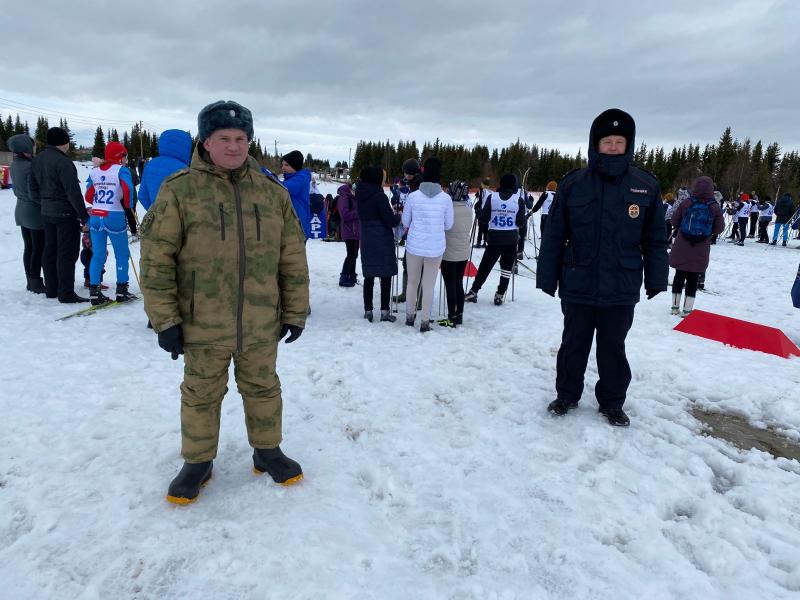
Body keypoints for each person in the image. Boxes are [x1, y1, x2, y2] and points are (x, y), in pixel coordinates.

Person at [139, 100, 309, 504]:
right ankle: (198, 461)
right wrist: (165, 320)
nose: (234, 147)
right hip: (202, 320)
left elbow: (292, 255)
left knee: (263, 386)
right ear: (206, 141)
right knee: (200, 391)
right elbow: (156, 258)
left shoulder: (272, 193)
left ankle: (267, 452)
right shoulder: (179, 190)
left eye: (240, 139)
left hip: (259, 318)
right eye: (223, 139)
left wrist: (295, 310)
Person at [536, 108, 668, 427]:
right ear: (595, 144)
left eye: (618, 141)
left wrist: (657, 277)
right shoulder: (573, 184)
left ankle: (611, 402)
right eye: (606, 141)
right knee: (573, 343)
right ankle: (567, 394)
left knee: (613, 348)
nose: (611, 146)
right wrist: (547, 275)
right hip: (578, 279)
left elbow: (654, 238)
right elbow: (555, 233)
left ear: (628, 144)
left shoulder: (645, 186)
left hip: (621, 285)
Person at [29, 126, 90, 303]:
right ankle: (65, 293)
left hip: (46, 212)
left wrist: (45, 203)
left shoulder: (37, 159)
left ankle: (52, 289)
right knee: (66, 253)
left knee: (50, 250)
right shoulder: (64, 162)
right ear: (64, 143)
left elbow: (32, 188)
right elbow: (73, 192)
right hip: (65, 214)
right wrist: (83, 216)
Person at [401, 157, 453, 332]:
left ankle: (409, 316)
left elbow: (405, 221)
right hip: (435, 248)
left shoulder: (413, 196)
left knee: (412, 282)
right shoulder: (446, 199)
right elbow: (448, 225)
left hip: (415, 246)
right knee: (428, 284)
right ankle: (424, 321)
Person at [84, 142, 138, 305]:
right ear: (119, 157)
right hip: (114, 215)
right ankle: (122, 290)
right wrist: (128, 205)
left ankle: (94, 292)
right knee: (121, 254)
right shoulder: (122, 170)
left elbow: (88, 195)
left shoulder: (94, 172)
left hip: (96, 215)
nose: (126, 159)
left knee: (98, 254)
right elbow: (128, 190)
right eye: (124, 156)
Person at [464, 173, 526, 306]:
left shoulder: (493, 197)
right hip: (511, 239)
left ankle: (474, 291)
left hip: (495, 239)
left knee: (485, 267)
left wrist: (478, 210)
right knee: (506, 269)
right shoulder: (518, 200)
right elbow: (520, 223)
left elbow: (485, 219)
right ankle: (499, 295)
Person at [668, 176, 725, 315]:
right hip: (701, 247)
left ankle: (675, 308)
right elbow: (719, 228)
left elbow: (674, 221)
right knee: (693, 278)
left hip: (682, 244)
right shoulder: (714, 206)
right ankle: (687, 310)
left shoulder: (686, 202)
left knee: (679, 276)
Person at [357, 166, 401, 322]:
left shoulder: (360, 194)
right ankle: (384, 312)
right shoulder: (379, 196)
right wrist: (398, 216)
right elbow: (390, 220)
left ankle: (368, 311)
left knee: (369, 276)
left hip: (367, 238)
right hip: (382, 238)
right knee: (385, 275)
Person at [8, 134, 46, 294]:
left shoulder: (14, 164)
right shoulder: (30, 166)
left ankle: (30, 279)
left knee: (29, 247)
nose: (34, 148)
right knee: (38, 247)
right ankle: (36, 282)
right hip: (34, 212)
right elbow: (33, 193)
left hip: (21, 210)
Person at [439, 180, 472, 327]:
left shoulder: (448, 208)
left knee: (450, 284)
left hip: (449, 252)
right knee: (458, 283)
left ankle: (451, 317)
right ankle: (459, 316)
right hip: (463, 251)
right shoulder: (468, 208)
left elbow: (444, 227)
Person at [138, 129, 192, 211]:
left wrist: (154, 213)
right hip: (178, 221)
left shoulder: (150, 165)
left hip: (156, 221)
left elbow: (142, 196)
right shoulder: (186, 170)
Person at [393, 158, 423, 304]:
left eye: (407, 173)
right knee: (407, 263)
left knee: (418, 266)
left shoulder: (420, 185)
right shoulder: (413, 183)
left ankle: (419, 297)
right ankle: (406, 293)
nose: (405, 176)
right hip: (411, 233)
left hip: (419, 232)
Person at [281, 150, 313, 239]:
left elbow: (283, 187)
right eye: (282, 164)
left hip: (298, 227)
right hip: (291, 225)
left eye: (286, 165)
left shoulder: (301, 178)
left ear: (295, 166)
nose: (283, 167)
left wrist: (268, 175)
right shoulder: (291, 179)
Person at [337, 183, 360, 286]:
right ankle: (344, 278)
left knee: (354, 255)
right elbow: (345, 215)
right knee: (351, 254)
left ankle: (352, 277)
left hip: (356, 231)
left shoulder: (353, 198)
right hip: (349, 230)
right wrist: (359, 212)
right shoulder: (344, 198)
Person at [473, 178, 492, 247]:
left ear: (483, 185)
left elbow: (480, 201)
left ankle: (478, 243)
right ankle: (485, 242)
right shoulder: (490, 192)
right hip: (488, 212)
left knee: (480, 228)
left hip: (482, 211)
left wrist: (477, 206)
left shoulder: (483, 191)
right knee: (485, 228)